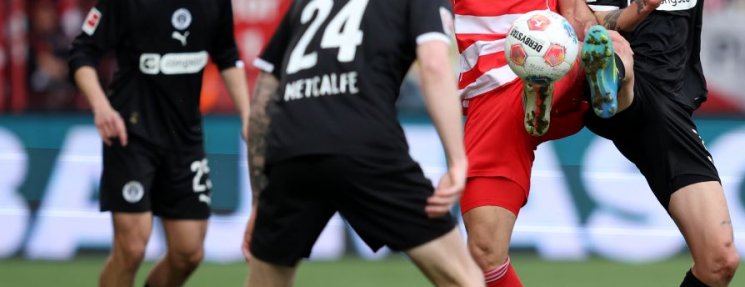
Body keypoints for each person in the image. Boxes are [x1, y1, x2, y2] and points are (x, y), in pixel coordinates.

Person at [242, 0, 483, 286]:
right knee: (464, 278)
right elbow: (433, 64)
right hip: (363, 144)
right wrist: (457, 160)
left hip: (291, 148)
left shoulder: (305, 3)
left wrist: (261, 199)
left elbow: (262, 103)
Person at [68, 0, 250, 286]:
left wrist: (247, 113)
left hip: (185, 138)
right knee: (132, 249)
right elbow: (82, 52)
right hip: (132, 134)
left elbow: (227, 54)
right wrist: (101, 106)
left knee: (188, 253)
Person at [562, 0, 743, 286]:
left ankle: (615, 77)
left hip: (670, 108)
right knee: (613, 51)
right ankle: (613, 77)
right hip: (631, 87)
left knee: (719, 261)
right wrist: (642, 8)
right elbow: (591, 22)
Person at [452, 0, 597, 285]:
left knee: (583, 49)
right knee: (484, 252)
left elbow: (576, 14)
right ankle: (557, 79)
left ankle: (575, 73)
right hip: (491, 89)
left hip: (553, 50)